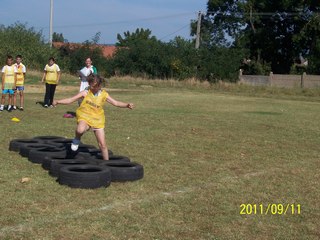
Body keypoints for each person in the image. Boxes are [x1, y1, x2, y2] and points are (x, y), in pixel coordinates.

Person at [53, 73, 134, 160]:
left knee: (102, 145)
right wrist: (58, 101)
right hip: (85, 116)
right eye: (91, 85)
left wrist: (126, 105)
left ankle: (107, 163)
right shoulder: (85, 92)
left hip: (97, 120)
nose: (92, 88)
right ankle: (77, 139)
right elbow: (70, 100)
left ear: (99, 85)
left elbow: (116, 103)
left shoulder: (104, 94)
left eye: (94, 86)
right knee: (80, 130)